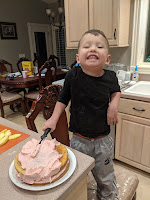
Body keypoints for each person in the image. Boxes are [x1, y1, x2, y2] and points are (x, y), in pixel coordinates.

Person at [43, 29, 121, 200]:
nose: (93, 49)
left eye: (99, 46)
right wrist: (53, 118)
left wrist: (113, 105)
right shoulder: (72, 76)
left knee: (105, 178)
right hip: (78, 140)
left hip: (103, 141)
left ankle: (108, 197)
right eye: (87, 46)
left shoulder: (111, 77)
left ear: (107, 59)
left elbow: (116, 91)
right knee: (78, 177)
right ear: (78, 58)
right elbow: (63, 99)